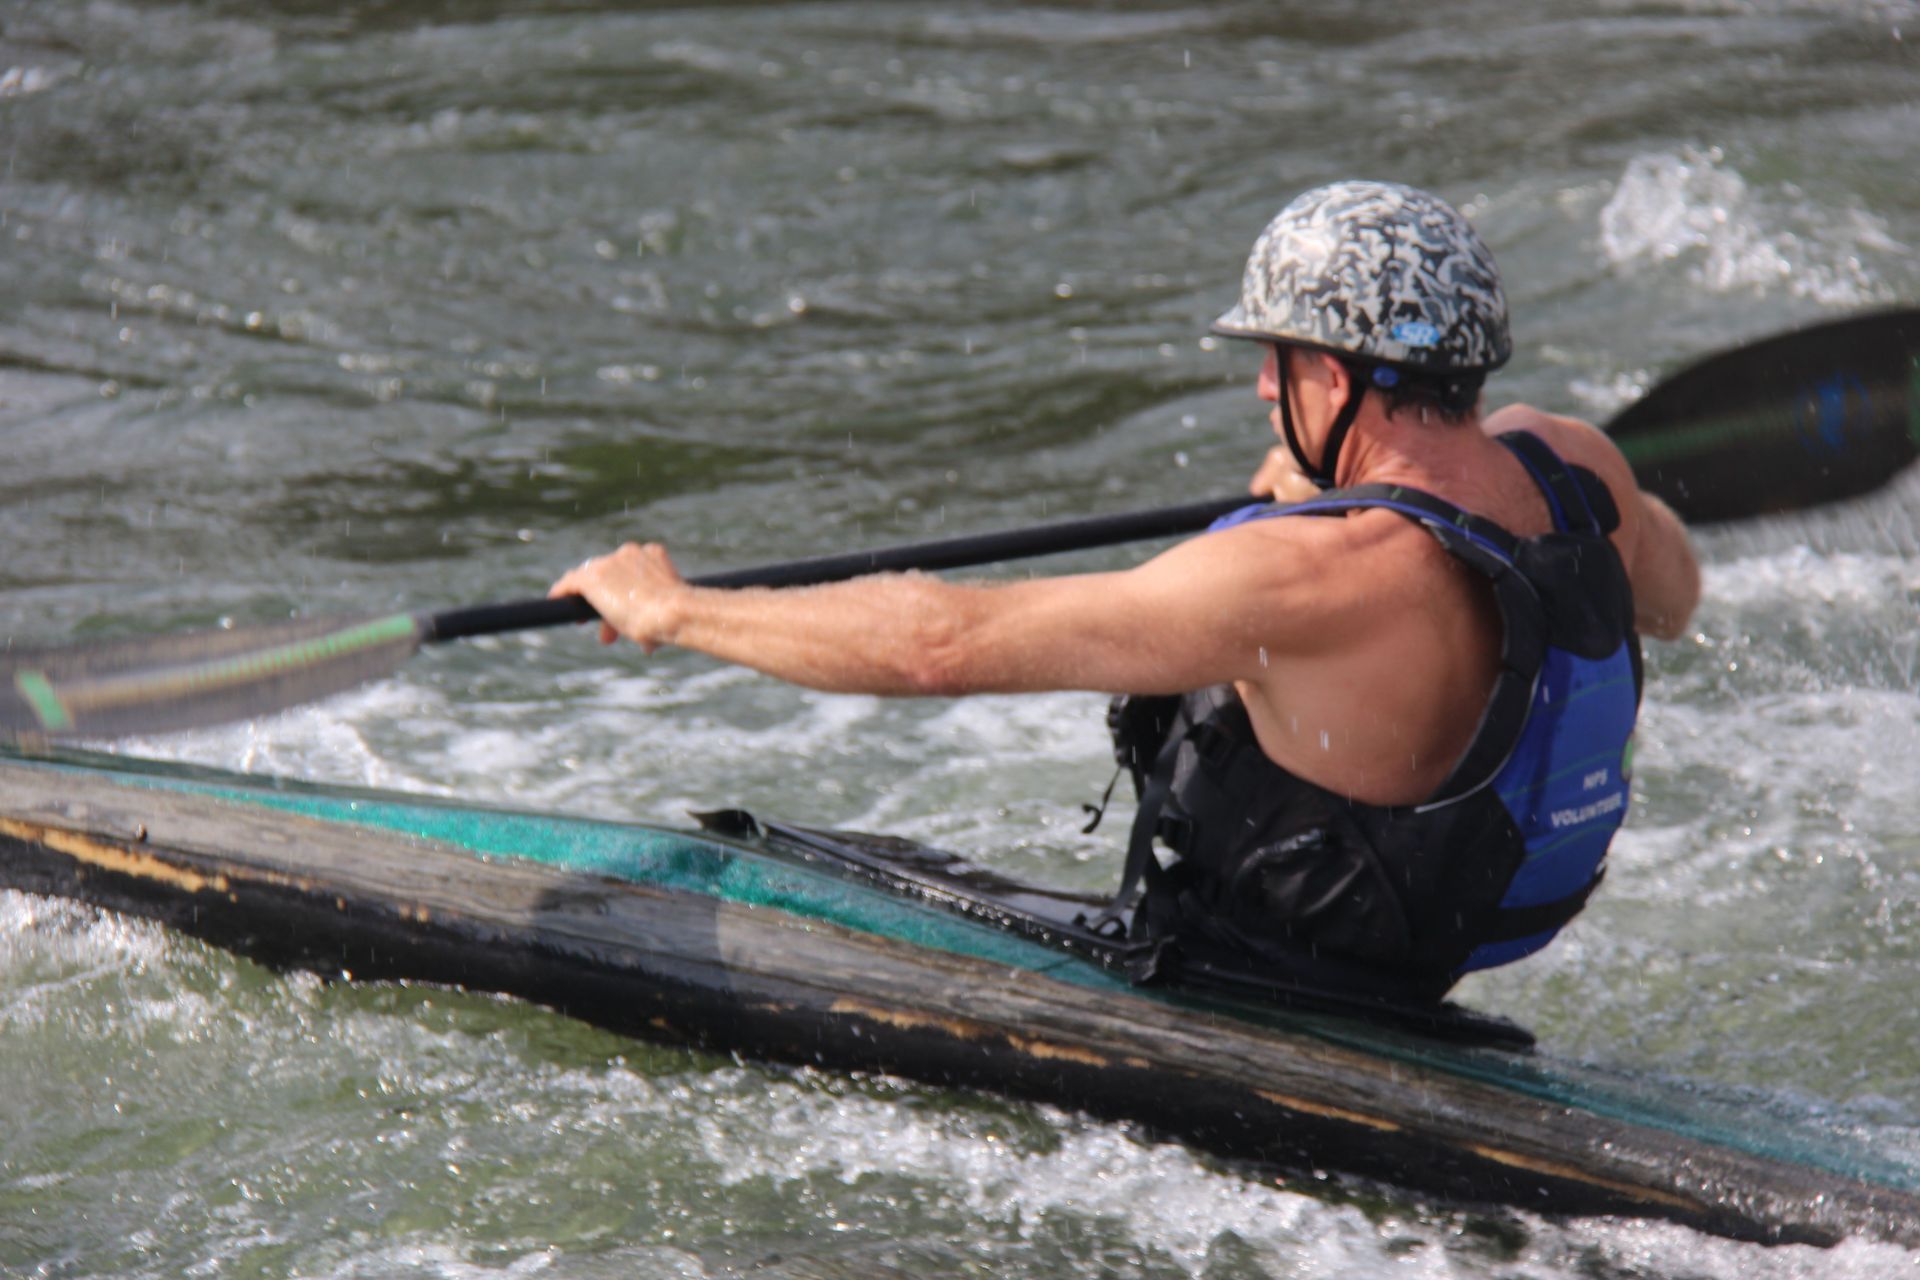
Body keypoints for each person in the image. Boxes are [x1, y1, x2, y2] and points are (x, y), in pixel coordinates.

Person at [550, 180, 1701, 1001]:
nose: (1261, 387)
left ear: (1340, 376)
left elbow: (939, 645)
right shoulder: (1572, 467)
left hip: (1266, 972)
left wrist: (677, 606)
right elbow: (1673, 593)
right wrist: (1323, 484)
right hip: (1442, 943)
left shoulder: (1307, 574)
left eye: (1282, 359)